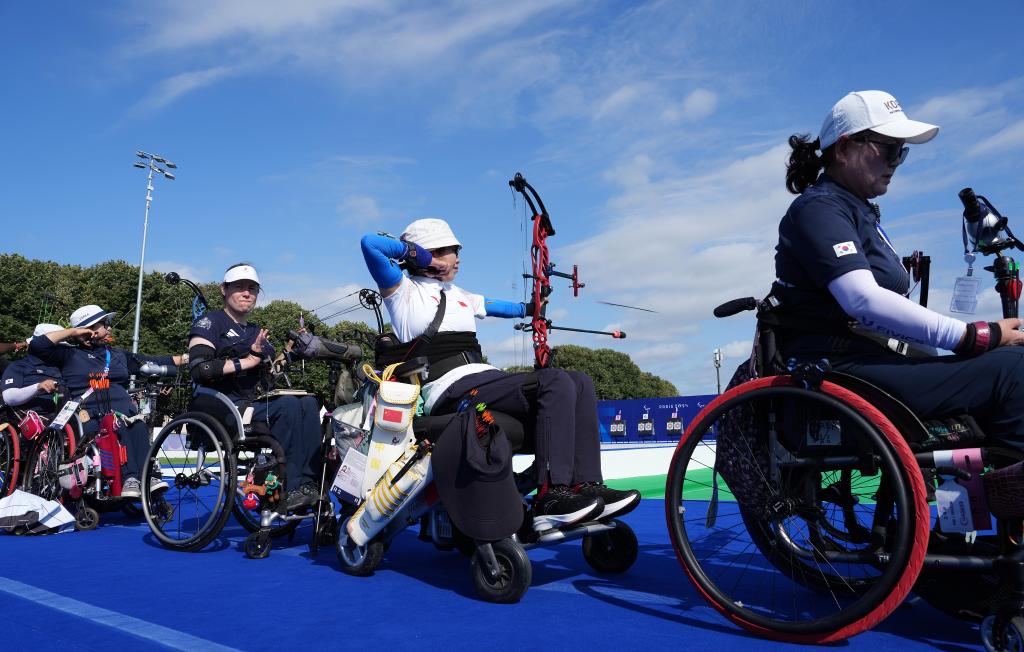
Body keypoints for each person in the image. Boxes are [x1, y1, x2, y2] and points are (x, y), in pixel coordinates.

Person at [772, 89, 1024, 444]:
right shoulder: (820, 208)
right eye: (889, 150)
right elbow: (862, 300)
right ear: (844, 149)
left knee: (1010, 361)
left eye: (901, 153)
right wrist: (973, 337)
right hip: (839, 371)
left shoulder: (854, 208)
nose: (895, 163)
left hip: (867, 362)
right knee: (1014, 371)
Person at [361, 219, 641, 531]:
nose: (458, 258)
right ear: (430, 253)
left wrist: (535, 305)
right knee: (556, 380)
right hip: (450, 389)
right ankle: (551, 497)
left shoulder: (462, 295)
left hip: (485, 380)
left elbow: (512, 308)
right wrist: (424, 258)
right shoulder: (401, 291)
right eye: (452, 251)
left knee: (580, 381)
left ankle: (587, 485)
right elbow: (370, 243)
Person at [187, 263, 322, 511]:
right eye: (239, 287)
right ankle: (290, 487)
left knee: (310, 402)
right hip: (222, 406)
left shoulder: (256, 331)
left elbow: (268, 377)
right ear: (224, 290)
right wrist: (248, 360)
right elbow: (199, 369)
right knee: (289, 406)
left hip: (253, 404)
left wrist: (293, 352)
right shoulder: (210, 322)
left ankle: (309, 485)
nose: (247, 293)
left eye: (252, 289)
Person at [28, 305, 185, 498]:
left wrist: (188, 358)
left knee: (139, 427)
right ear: (89, 329)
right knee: (117, 425)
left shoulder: (117, 355)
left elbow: (154, 360)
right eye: (105, 324)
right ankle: (131, 479)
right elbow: (37, 345)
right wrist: (75, 332)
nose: (109, 328)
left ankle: (147, 476)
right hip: (89, 416)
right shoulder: (68, 354)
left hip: (125, 413)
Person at [1, 324, 64, 415]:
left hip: (67, 417)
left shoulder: (64, 365)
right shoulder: (19, 366)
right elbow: (9, 397)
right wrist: (38, 387)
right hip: (35, 422)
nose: (61, 350)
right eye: (56, 346)